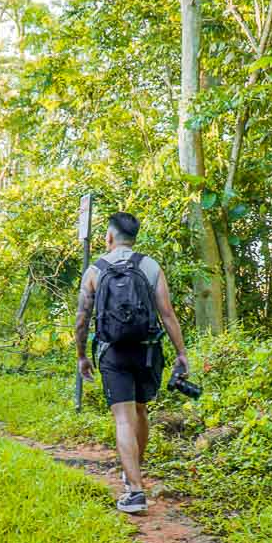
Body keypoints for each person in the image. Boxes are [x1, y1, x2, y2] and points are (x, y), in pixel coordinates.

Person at [75, 212, 190, 514]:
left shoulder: (95, 269)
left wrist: (82, 356)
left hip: (113, 352)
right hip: (147, 350)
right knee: (141, 411)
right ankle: (133, 471)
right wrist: (181, 353)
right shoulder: (149, 265)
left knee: (123, 418)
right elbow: (167, 313)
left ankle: (135, 491)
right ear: (134, 237)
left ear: (108, 237)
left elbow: (82, 319)